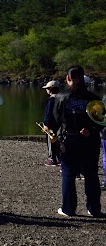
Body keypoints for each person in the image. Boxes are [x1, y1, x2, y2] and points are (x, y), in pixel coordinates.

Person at [43, 66, 102, 217]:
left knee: (69, 174)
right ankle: (94, 208)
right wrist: (91, 129)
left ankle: (69, 209)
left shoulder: (60, 98)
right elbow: (102, 121)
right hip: (89, 141)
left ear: (68, 79)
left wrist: (54, 137)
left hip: (68, 140)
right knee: (91, 174)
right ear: (84, 78)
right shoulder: (94, 98)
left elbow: (52, 122)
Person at [41, 80, 61, 167]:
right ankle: (60, 158)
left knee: (51, 141)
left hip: (51, 125)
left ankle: (52, 159)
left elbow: (48, 113)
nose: (46, 90)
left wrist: (46, 124)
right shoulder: (62, 98)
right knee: (59, 142)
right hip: (60, 125)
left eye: (47, 89)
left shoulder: (51, 100)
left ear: (50, 89)